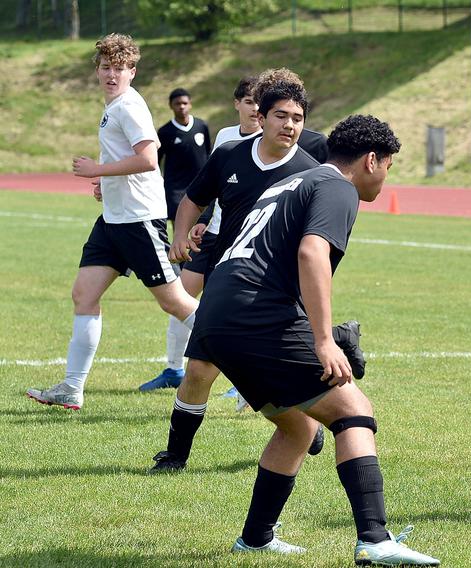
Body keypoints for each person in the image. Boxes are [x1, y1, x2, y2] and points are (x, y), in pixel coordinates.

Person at [189, 113, 438, 564]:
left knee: (298, 425)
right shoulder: (338, 187)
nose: (384, 178)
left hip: (216, 318)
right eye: (388, 166)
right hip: (255, 314)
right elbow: (311, 252)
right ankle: (375, 539)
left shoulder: (296, 182)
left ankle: (256, 538)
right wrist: (323, 340)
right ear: (371, 160)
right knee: (353, 412)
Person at [147, 69, 364, 472]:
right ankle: (174, 456)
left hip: (278, 288)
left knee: (264, 372)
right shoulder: (229, 155)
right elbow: (194, 199)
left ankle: (309, 413)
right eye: (281, 116)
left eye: (298, 118)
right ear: (261, 118)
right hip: (228, 277)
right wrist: (181, 235)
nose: (290, 125)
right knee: (198, 371)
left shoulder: (309, 170)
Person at [26, 33, 198, 411]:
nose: (111, 74)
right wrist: (107, 182)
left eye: (119, 68)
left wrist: (98, 169)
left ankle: (244, 357)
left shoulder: (129, 106)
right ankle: (72, 387)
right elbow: (131, 162)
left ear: (132, 72)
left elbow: (150, 158)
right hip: (113, 220)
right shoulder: (114, 105)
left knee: (173, 302)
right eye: (106, 67)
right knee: (84, 294)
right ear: (98, 70)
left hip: (138, 220)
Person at [139, 77, 260, 392]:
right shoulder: (225, 136)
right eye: (248, 101)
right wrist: (203, 219)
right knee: (181, 297)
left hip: (241, 240)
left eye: (260, 102)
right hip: (211, 235)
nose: (254, 108)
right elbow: (213, 183)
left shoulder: (270, 142)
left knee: (236, 310)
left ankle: (244, 377)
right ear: (236, 103)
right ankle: (172, 370)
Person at [156, 88, 211, 228]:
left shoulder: (201, 126)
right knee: (179, 227)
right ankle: (179, 250)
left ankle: (197, 251)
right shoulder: (165, 132)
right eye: (177, 103)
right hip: (176, 188)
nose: (181, 106)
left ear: (190, 104)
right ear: (170, 105)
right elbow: (156, 160)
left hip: (200, 184)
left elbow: (208, 153)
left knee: (201, 227)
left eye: (185, 103)